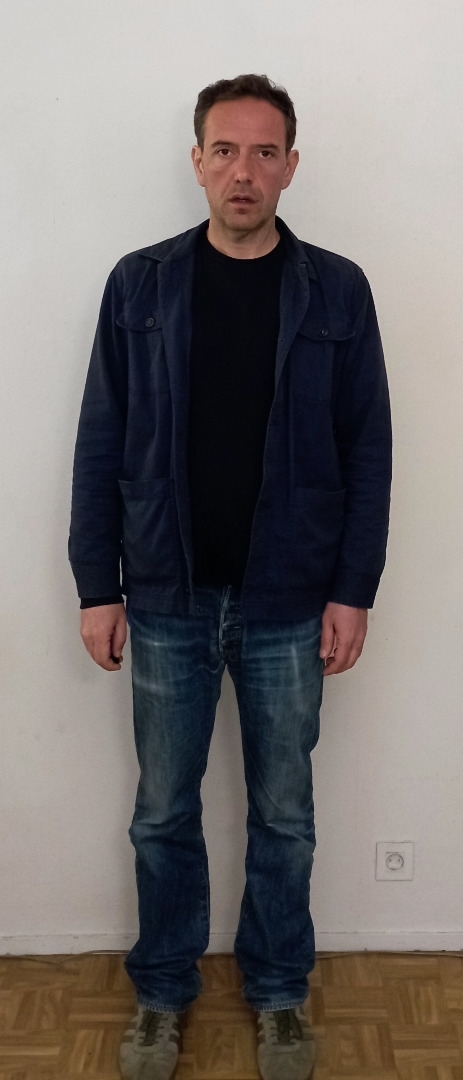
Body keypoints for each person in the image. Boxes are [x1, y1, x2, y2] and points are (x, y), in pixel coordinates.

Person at [69, 74, 391, 1080]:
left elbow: (368, 449)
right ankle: (163, 993)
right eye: (224, 149)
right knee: (162, 811)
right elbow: (101, 438)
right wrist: (96, 583)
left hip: (289, 598)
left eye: (262, 152)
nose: (242, 171)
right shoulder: (140, 285)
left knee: (283, 815)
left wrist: (353, 589)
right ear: (197, 160)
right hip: (166, 593)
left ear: (290, 165)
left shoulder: (337, 290)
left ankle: (279, 992)